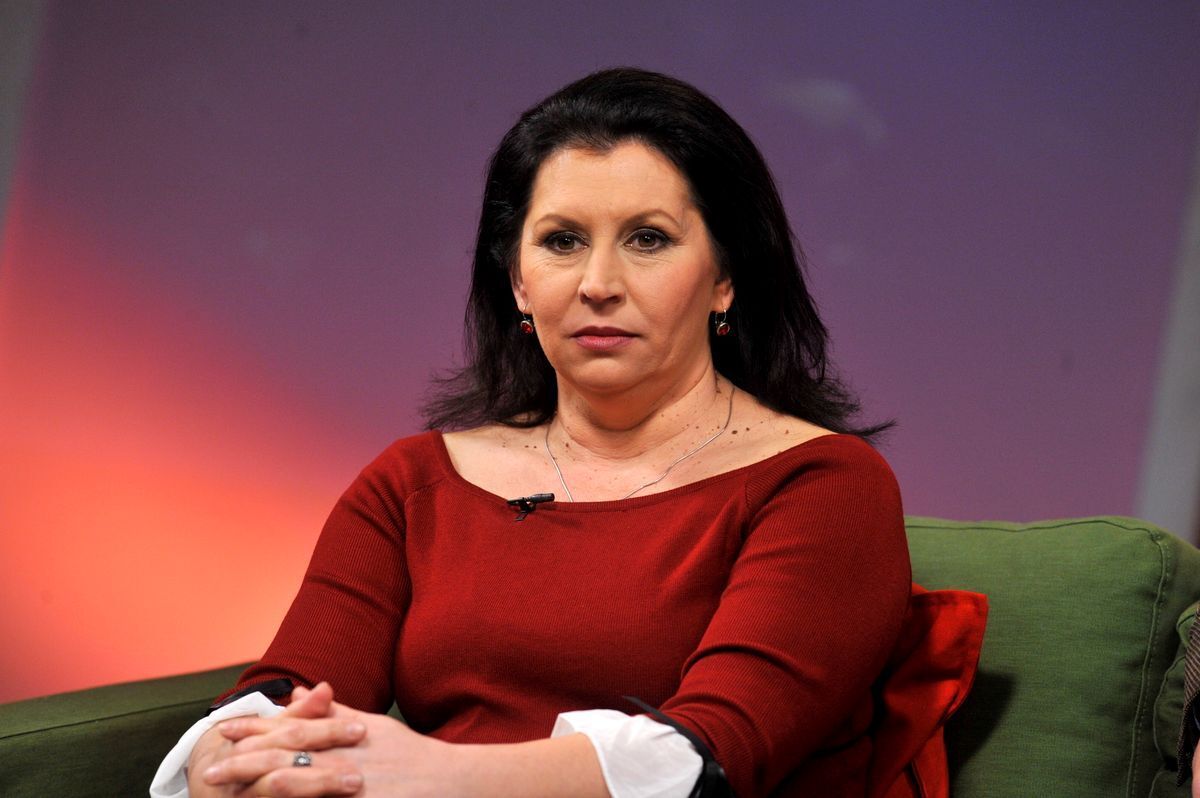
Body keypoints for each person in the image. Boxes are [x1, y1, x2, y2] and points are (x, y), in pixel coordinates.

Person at [151, 67, 981, 798]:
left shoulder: (823, 484)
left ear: (725, 277)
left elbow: (706, 761)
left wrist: (429, 776)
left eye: (648, 240)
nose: (598, 283)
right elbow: (286, 693)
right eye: (561, 242)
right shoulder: (412, 483)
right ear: (518, 280)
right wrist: (240, 760)